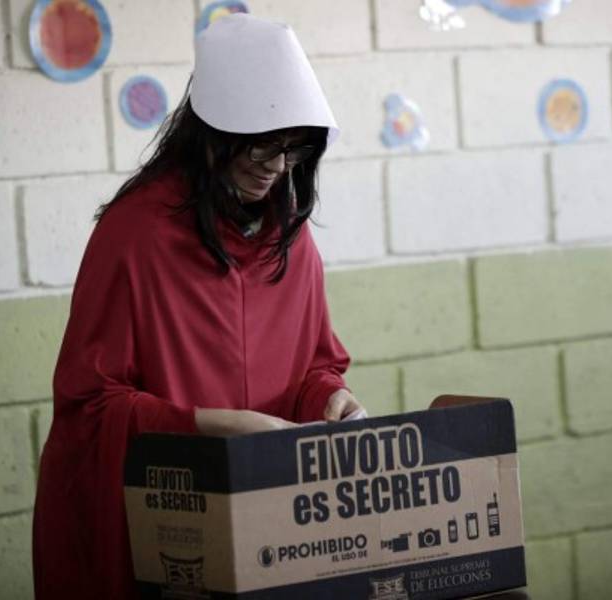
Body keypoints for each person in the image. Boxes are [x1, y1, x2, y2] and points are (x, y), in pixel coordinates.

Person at [32, 14, 364, 599]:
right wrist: (213, 425)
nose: (276, 166)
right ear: (212, 134)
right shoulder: (136, 234)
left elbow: (313, 366)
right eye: (261, 143)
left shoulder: (289, 239)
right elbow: (90, 406)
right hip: (163, 528)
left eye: (293, 149)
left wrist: (330, 399)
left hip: (263, 518)